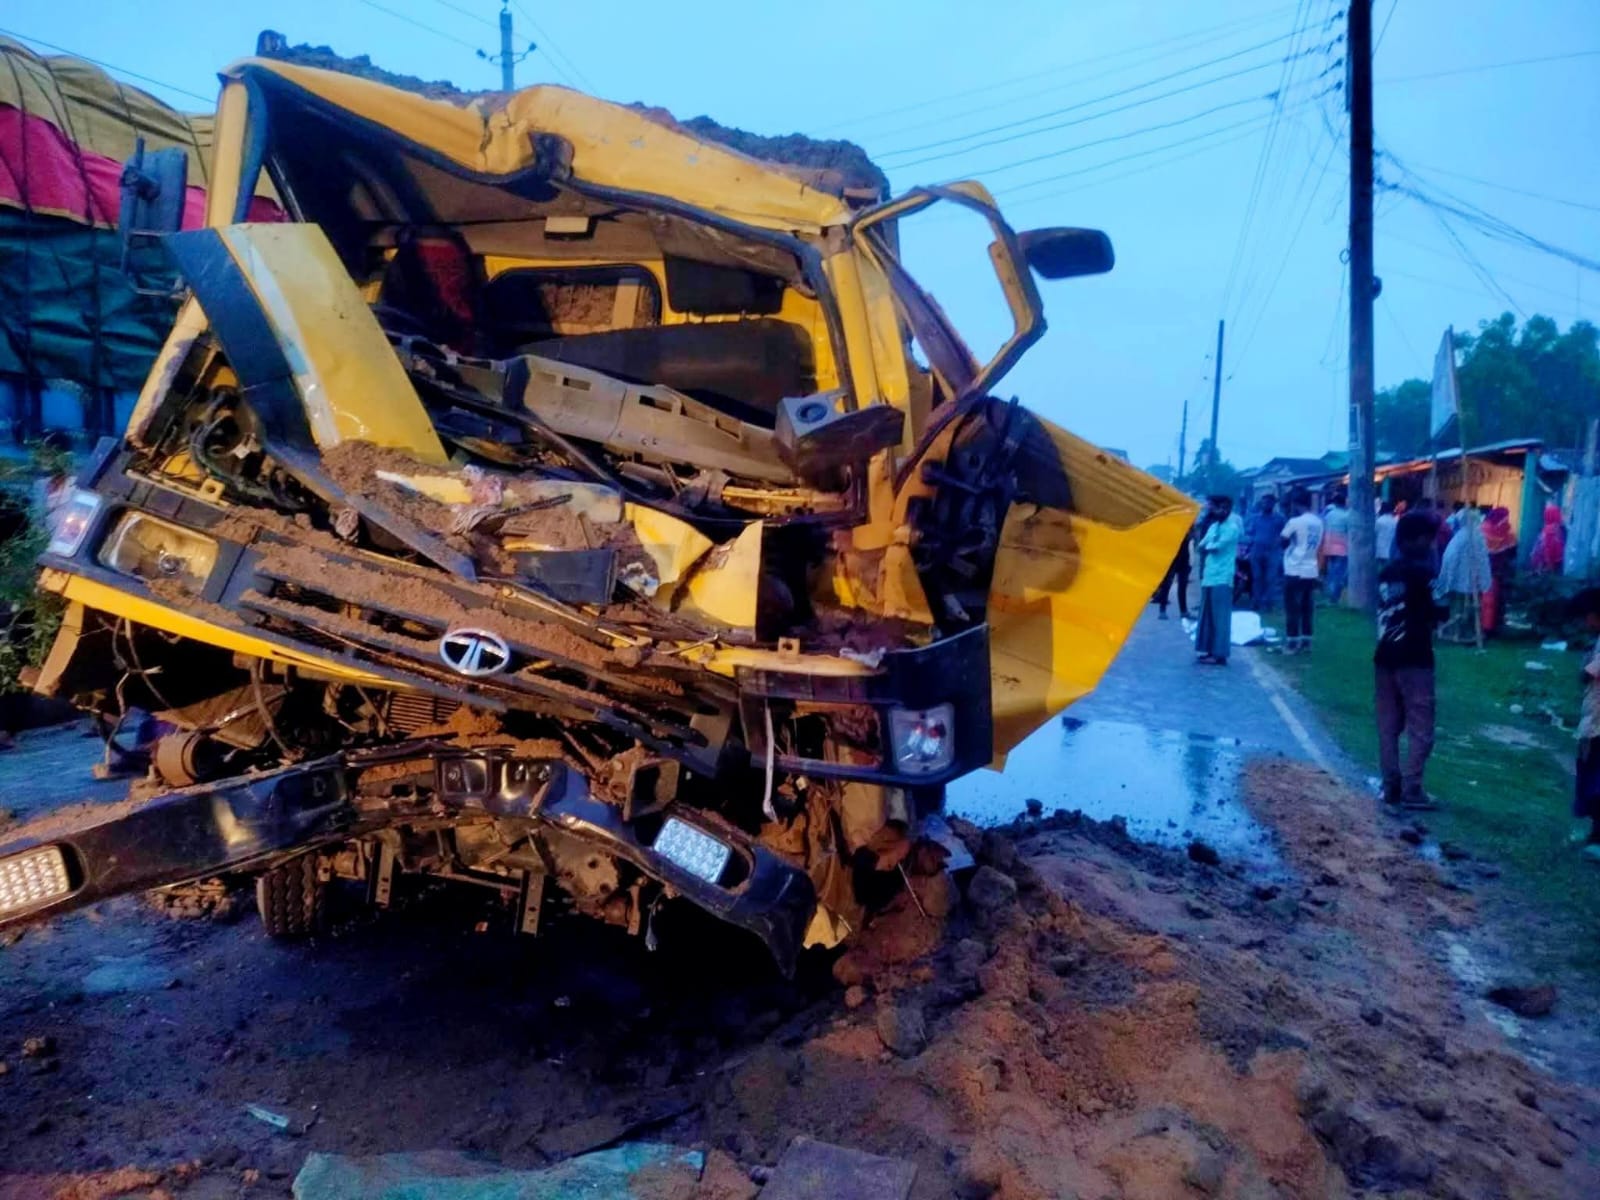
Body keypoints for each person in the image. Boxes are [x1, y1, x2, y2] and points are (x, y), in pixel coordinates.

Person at [1375, 513, 1449, 810]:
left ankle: (1391, 785)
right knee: (1421, 726)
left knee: (1388, 725)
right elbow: (1442, 611)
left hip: (1384, 656)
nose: (1431, 544)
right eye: (1427, 538)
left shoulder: (1386, 573)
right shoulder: (1427, 574)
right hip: (1415, 658)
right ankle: (1413, 789)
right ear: (1412, 540)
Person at [1569, 587, 1600, 860]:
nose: (1585, 623)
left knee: (1597, 783)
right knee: (1589, 779)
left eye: (1586, 617)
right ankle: (1594, 832)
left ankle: (1599, 838)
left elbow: (1587, 674)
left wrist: (1585, 667)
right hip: (1593, 720)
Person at [1194, 495, 1242, 665]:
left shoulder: (1232, 528)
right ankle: (1208, 650)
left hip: (1223, 577)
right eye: (1217, 508)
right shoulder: (1213, 526)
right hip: (1209, 576)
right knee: (1207, 616)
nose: (1220, 511)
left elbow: (1215, 547)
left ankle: (1220, 654)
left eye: (1224, 508)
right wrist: (1206, 545)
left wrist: (1207, 546)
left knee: (1220, 617)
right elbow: (1200, 546)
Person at [1436, 507, 1491, 643]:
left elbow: (1450, 558)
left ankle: (1459, 631)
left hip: (1461, 580)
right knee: (1469, 607)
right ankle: (1465, 630)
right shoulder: (1478, 537)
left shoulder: (1460, 538)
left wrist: (1448, 577)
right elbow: (1484, 560)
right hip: (1472, 580)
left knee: (1459, 607)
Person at [1280, 489, 1323, 654]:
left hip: (1294, 568)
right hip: (1311, 568)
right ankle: (1306, 642)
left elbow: (1283, 541)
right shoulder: (1318, 522)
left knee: (1292, 607)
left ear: (1295, 504)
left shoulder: (1294, 521)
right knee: (1307, 608)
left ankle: (1292, 642)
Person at [1244, 494, 1286, 612]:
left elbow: (1285, 534)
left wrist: (1279, 543)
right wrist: (1250, 542)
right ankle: (1256, 601)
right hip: (1256, 551)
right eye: (1263, 502)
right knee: (1256, 577)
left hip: (1273, 552)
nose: (1265, 504)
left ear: (1273, 504)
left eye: (1268, 502)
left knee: (1270, 578)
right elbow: (1248, 532)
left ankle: (1267, 603)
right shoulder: (1255, 518)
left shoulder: (1280, 518)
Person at [1481, 506, 1518, 634]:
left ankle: (1495, 624)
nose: (1506, 521)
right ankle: (1487, 628)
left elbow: (1512, 552)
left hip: (1500, 572)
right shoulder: (1484, 532)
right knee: (1489, 601)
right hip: (1487, 572)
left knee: (1498, 600)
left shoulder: (1507, 533)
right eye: (1505, 518)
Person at [1155, 524, 1194, 620]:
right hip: (1173, 559)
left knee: (1181, 586)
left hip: (1184, 559)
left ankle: (1182, 611)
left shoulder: (1188, 526)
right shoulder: (1174, 526)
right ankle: (1163, 610)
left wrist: (1191, 561)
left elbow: (1191, 544)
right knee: (1167, 585)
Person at [1321, 490, 1350, 603]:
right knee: (1340, 573)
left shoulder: (1329, 515)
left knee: (1331, 571)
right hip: (1342, 548)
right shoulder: (1347, 516)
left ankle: (1330, 593)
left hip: (1329, 547)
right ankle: (1334, 596)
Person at [1531, 502, 1566, 575]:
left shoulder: (1546, 528)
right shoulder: (1555, 529)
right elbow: (1553, 547)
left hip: (1543, 562)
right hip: (1551, 563)